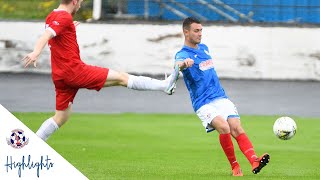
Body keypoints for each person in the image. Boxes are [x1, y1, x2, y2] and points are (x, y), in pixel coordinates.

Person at [22, 0, 179, 142]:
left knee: (61, 117)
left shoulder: (53, 16)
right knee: (122, 78)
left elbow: (55, 32)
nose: (81, 5)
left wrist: (69, 28)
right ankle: (164, 85)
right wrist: (36, 52)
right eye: (80, 2)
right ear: (74, 1)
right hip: (74, 71)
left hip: (60, 76)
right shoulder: (64, 18)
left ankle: (33, 146)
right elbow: (46, 35)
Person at [173, 17, 270, 176]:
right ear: (186, 32)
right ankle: (235, 167)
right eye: (196, 31)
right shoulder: (182, 54)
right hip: (203, 103)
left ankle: (254, 160)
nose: (200, 34)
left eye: (201, 30)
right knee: (224, 127)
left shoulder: (204, 48)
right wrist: (183, 64)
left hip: (220, 97)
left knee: (236, 127)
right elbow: (176, 65)